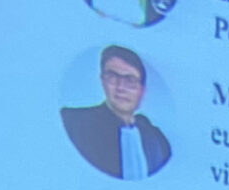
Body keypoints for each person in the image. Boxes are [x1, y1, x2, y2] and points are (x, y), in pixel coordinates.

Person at [61, 46, 172, 181]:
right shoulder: (74, 123)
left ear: (142, 90)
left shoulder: (157, 139)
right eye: (112, 77)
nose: (120, 87)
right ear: (103, 81)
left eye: (130, 80)